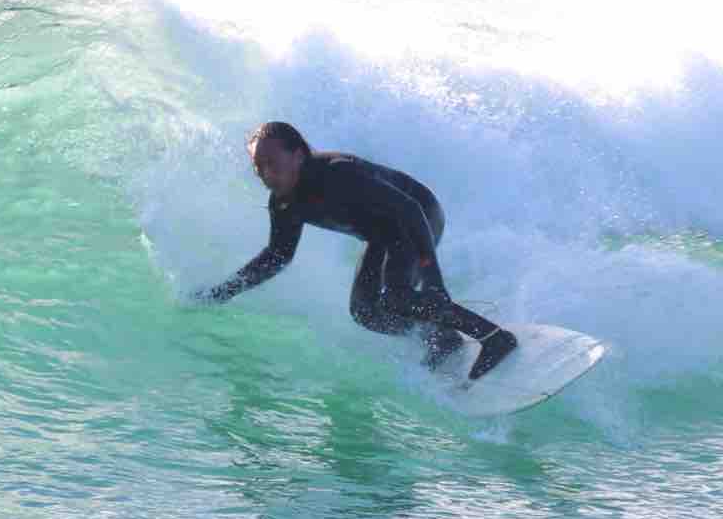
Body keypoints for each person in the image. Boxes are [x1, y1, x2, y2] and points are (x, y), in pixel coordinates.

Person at [192, 121, 517, 379]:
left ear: (298, 155)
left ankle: (493, 337)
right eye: (258, 167)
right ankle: (440, 336)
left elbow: (409, 210)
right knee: (364, 311)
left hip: (419, 215)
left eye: (272, 164)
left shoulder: (338, 173)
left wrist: (432, 279)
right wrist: (224, 291)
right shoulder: (284, 204)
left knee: (396, 296)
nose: (266, 174)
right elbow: (278, 256)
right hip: (383, 234)